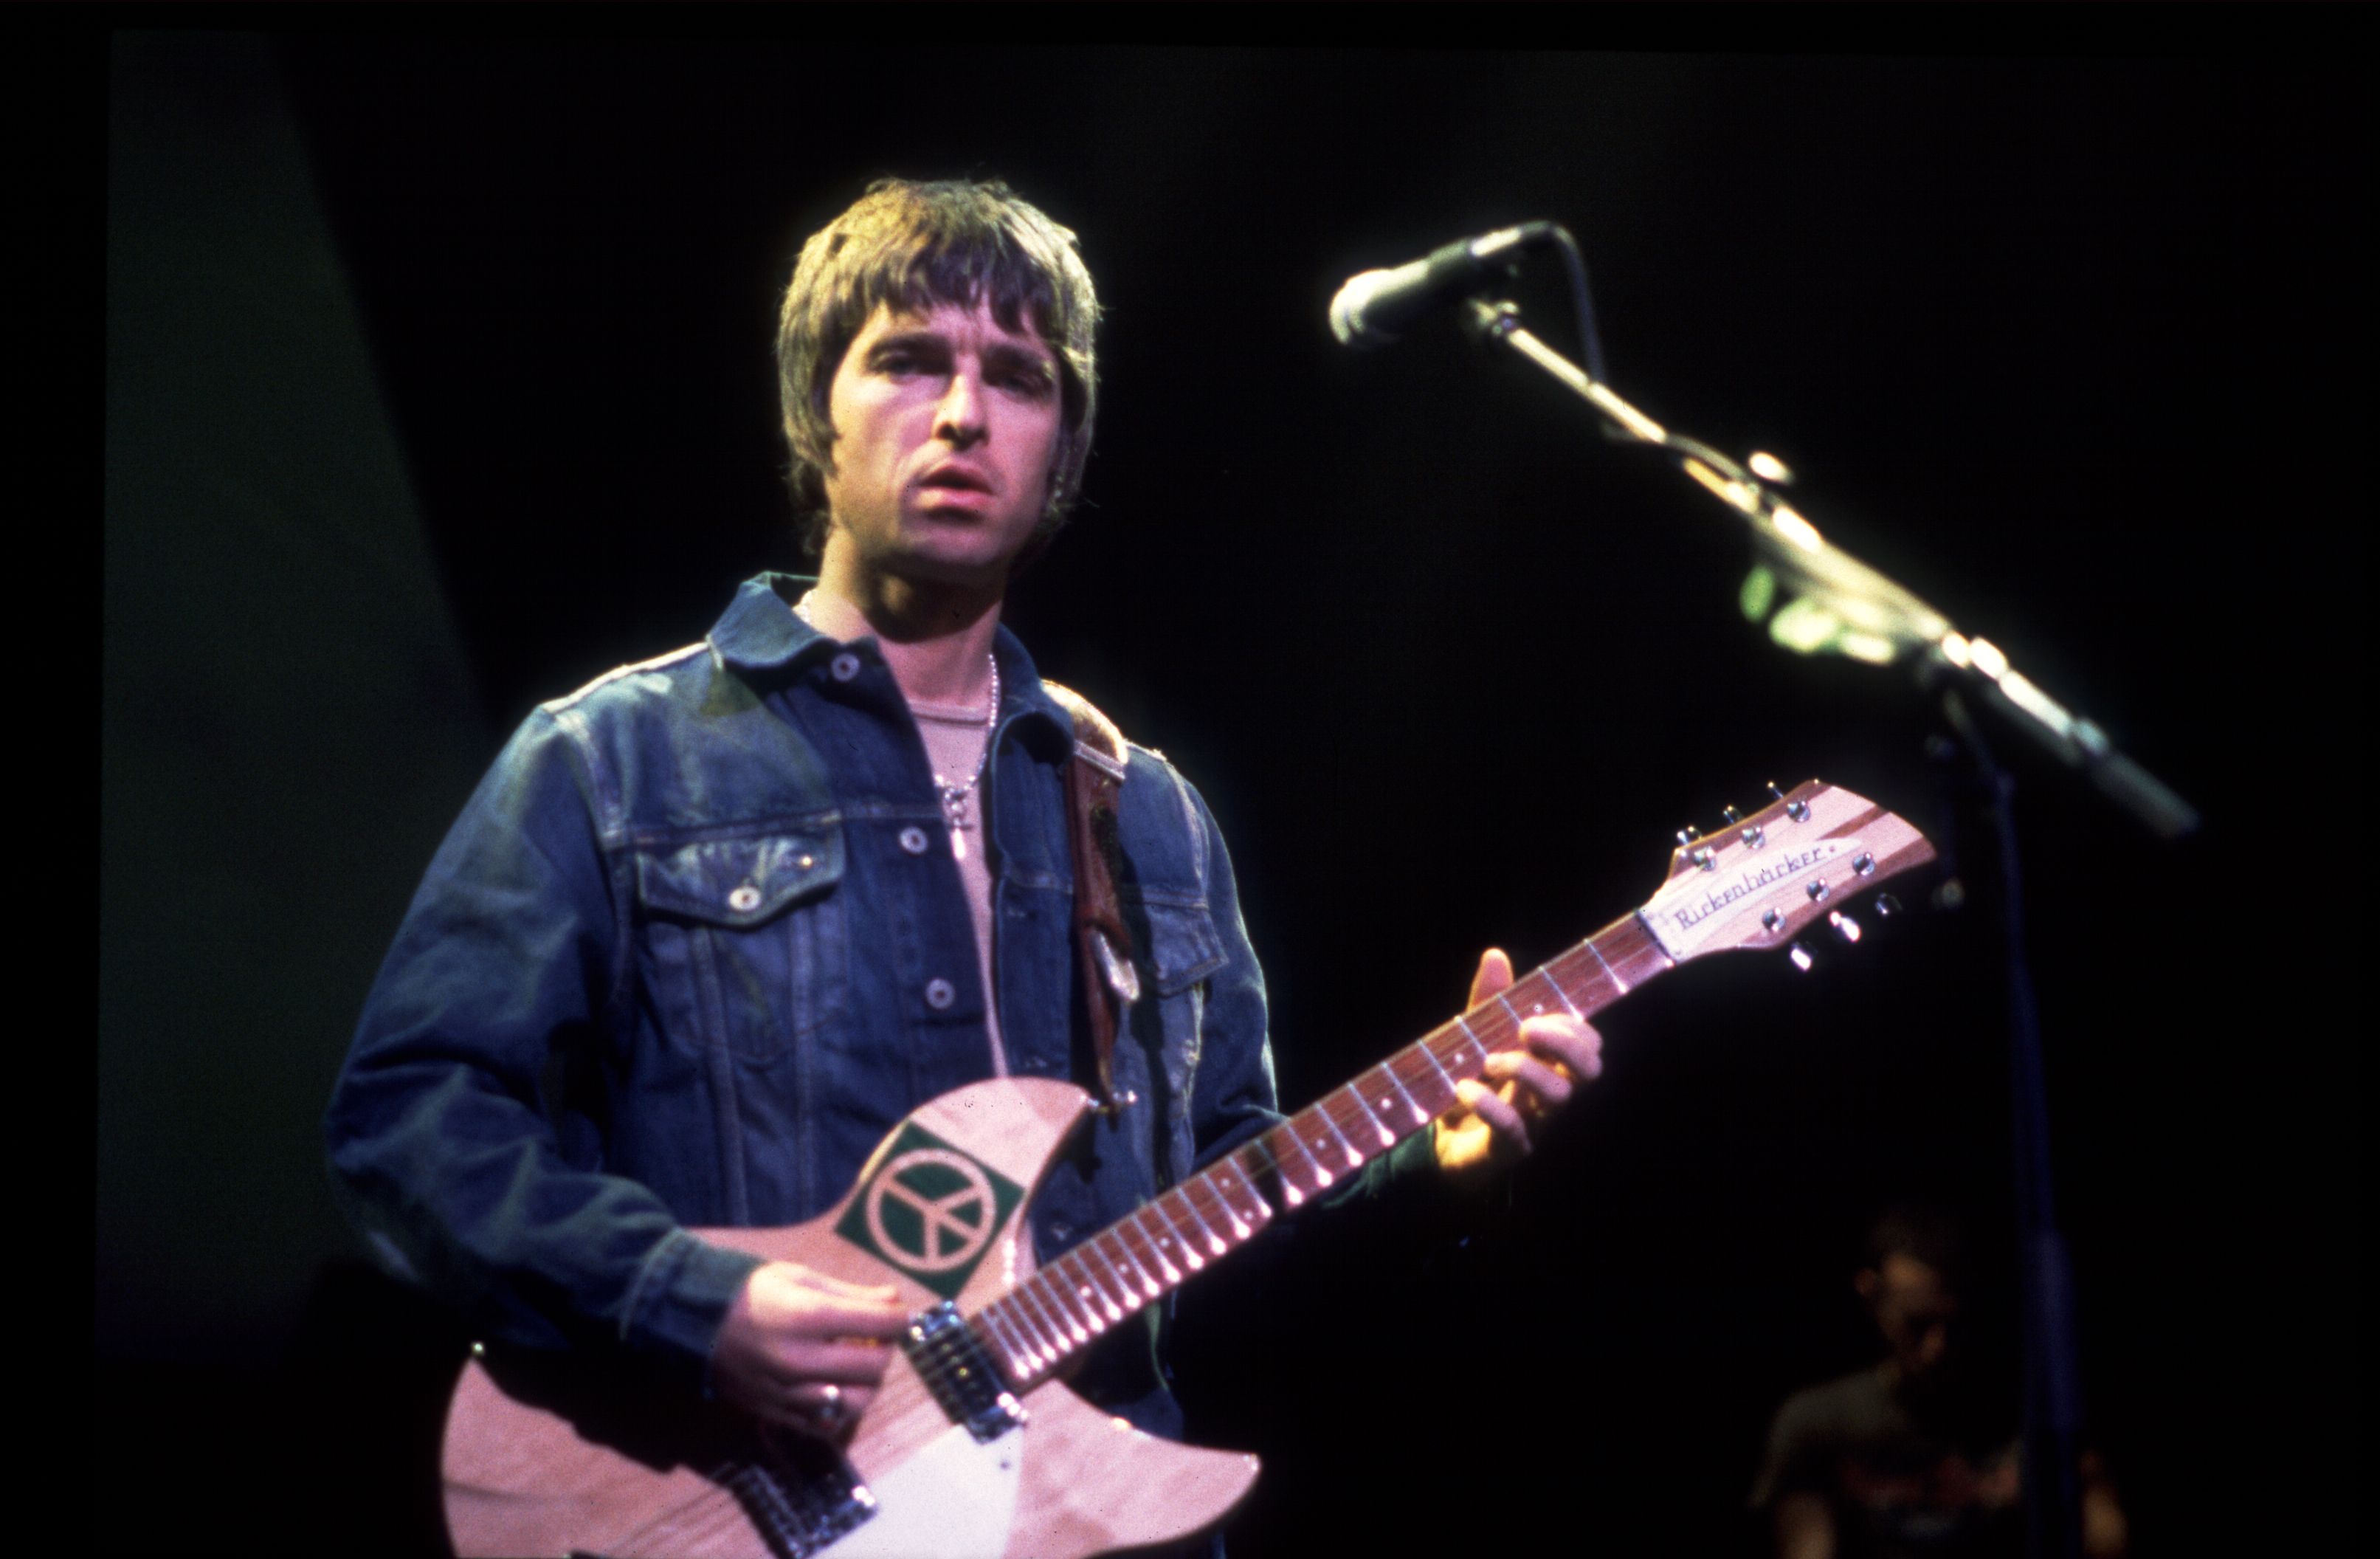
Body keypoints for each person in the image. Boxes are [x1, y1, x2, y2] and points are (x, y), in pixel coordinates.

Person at [322, 177, 1599, 1536]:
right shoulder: (611, 760)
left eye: (1018, 376)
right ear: (818, 407)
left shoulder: (1150, 822)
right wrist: (697, 1305)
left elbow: (1238, 1193)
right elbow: (411, 1119)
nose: (960, 411)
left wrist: (1426, 1163)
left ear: (1064, 448)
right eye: (908, 359)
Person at [1752, 1203, 2128, 1559]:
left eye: (1953, 1323)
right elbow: (1807, 1547)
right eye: (1917, 1324)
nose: (1938, 1347)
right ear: (1871, 1294)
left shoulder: (2030, 1420)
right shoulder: (1820, 1423)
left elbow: (2107, 1540)